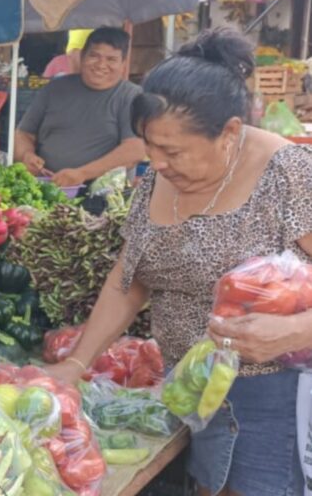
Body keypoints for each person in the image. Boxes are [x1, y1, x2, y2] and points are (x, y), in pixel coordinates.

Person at [47, 29, 312, 496]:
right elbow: (127, 281)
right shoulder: (156, 179)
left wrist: (295, 331)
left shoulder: (287, 172)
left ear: (229, 132)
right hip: (190, 390)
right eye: (150, 147)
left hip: (272, 397)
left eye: (172, 151)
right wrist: (78, 361)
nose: (158, 163)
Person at [14, 27, 144, 188]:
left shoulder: (131, 96)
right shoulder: (55, 89)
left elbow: (134, 150)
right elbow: (23, 133)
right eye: (94, 56)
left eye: (111, 59)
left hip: (99, 193)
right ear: (82, 56)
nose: (101, 65)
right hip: (43, 186)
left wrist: (82, 174)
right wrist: (27, 155)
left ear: (123, 64)